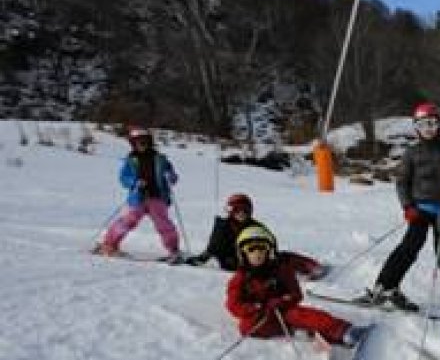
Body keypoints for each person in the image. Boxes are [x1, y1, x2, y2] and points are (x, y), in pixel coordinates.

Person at [357, 101, 440, 311]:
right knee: (410, 245)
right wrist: (407, 206)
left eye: (433, 124)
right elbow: (402, 182)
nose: (429, 129)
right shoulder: (412, 153)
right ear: (416, 127)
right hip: (421, 209)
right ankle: (386, 286)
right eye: (424, 124)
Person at [225, 224, 362, 348]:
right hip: (261, 316)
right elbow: (233, 304)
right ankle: (298, 330)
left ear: (269, 251)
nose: (257, 253)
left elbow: (296, 294)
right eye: (251, 249)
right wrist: (258, 307)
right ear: (243, 253)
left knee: (304, 315)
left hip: (283, 310)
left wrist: (282, 300)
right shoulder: (240, 278)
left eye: (262, 248)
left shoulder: (280, 270)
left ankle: (344, 330)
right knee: (246, 327)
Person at [185, 193, 326, 279]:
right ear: (231, 211)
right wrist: (198, 260)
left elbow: (269, 239)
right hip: (233, 262)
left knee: (280, 257)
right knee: (271, 266)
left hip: (254, 256)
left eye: (245, 210)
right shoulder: (223, 226)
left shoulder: (254, 224)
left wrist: (272, 252)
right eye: (237, 211)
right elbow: (213, 248)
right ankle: (291, 275)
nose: (241, 214)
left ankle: (310, 266)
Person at [94, 126, 181, 260]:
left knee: (164, 224)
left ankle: (174, 250)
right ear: (133, 144)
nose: (141, 144)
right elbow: (123, 178)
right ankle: (109, 244)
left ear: (149, 142)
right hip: (138, 197)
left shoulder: (160, 159)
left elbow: (172, 174)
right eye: (137, 142)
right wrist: (134, 182)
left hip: (157, 196)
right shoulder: (130, 160)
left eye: (144, 141)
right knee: (128, 221)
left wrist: (171, 176)